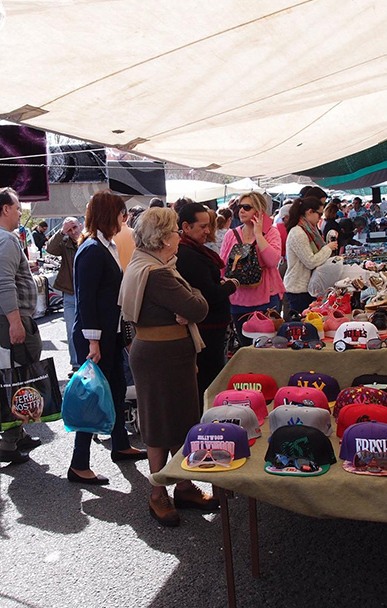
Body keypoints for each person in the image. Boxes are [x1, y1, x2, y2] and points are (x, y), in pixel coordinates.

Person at [120, 207, 214, 527]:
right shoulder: (159, 273)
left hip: (160, 355)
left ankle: (183, 487)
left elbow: (192, 305)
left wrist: (192, 300)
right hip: (162, 357)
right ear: (163, 238)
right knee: (162, 425)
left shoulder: (145, 263)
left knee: (174, 421)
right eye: (175, 231)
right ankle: (158, 493)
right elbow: (198, 307)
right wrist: (194, 298)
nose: (179, 236)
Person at [69, 191, 147, 485]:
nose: (123, 218)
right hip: (95, 337)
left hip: (107, 334)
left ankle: (120, 444)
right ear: (108, 214)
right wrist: (93, 342)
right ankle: (79, 463)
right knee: (93, 398)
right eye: (120, 213)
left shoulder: (106, 245)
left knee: (114, 391)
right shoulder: (91, 249)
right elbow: (85, 300)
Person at [0, 187, 44, 465]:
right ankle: (8, 443)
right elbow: (3, 283)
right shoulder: (2, 239)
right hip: (4, 318)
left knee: (10, 375)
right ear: (4, 210)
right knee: (16, 378)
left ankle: (17, 434)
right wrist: (15, 321)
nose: (19, 213)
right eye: (16, 208)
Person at [175, 203, 238, 405]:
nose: (208, 231)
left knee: (209, 375)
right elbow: (209, 293)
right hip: (206, 327)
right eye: (202, 226)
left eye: (208, 226)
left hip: (211, 325)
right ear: (186, 226)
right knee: (208, 378)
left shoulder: (194, 250)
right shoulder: (187, 254)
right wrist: (231, 285)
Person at [219, 192, 284, 344]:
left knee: (267, 349)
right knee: (245, 346)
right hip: (238, 299)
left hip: (266, 299)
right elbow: (222, 266)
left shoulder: (271, 232)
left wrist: (258, 235)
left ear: (259, 210)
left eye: (247, 207)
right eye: (239, 207)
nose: (241, 211)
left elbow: (272, 261)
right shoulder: (231, 234)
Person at [283, 197, 337, 313]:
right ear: (310, 212)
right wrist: (328, 248)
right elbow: (310, 261)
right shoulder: (298, 232)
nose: (320, 218)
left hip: (308, 288)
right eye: (319, 214)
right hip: (299, 291)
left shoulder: (310, 230)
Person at [45, 216, 81, 375]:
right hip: (70, 292)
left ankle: (90, 362)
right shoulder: (65, 243)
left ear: (80, 226)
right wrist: (61, 232)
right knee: (71, 330)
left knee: (89, 329)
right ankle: (75, 364)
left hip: (86, 292)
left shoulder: (88, 240)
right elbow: (50, 249)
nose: (73, 232)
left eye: (75, 227)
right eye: (69, 229)